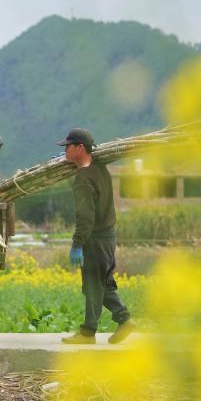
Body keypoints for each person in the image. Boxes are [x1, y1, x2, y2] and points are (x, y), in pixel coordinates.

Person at [57, 128, 135, 345]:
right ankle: (124, 320)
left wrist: (77, 244)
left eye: (68, 146)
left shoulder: (83, 179)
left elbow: (85, 217)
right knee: (103, 284)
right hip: (108, 237)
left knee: (92, 284)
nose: (65, 150)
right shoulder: (100, 168)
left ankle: (88, 332)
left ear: (80, 148)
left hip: (96, 239)